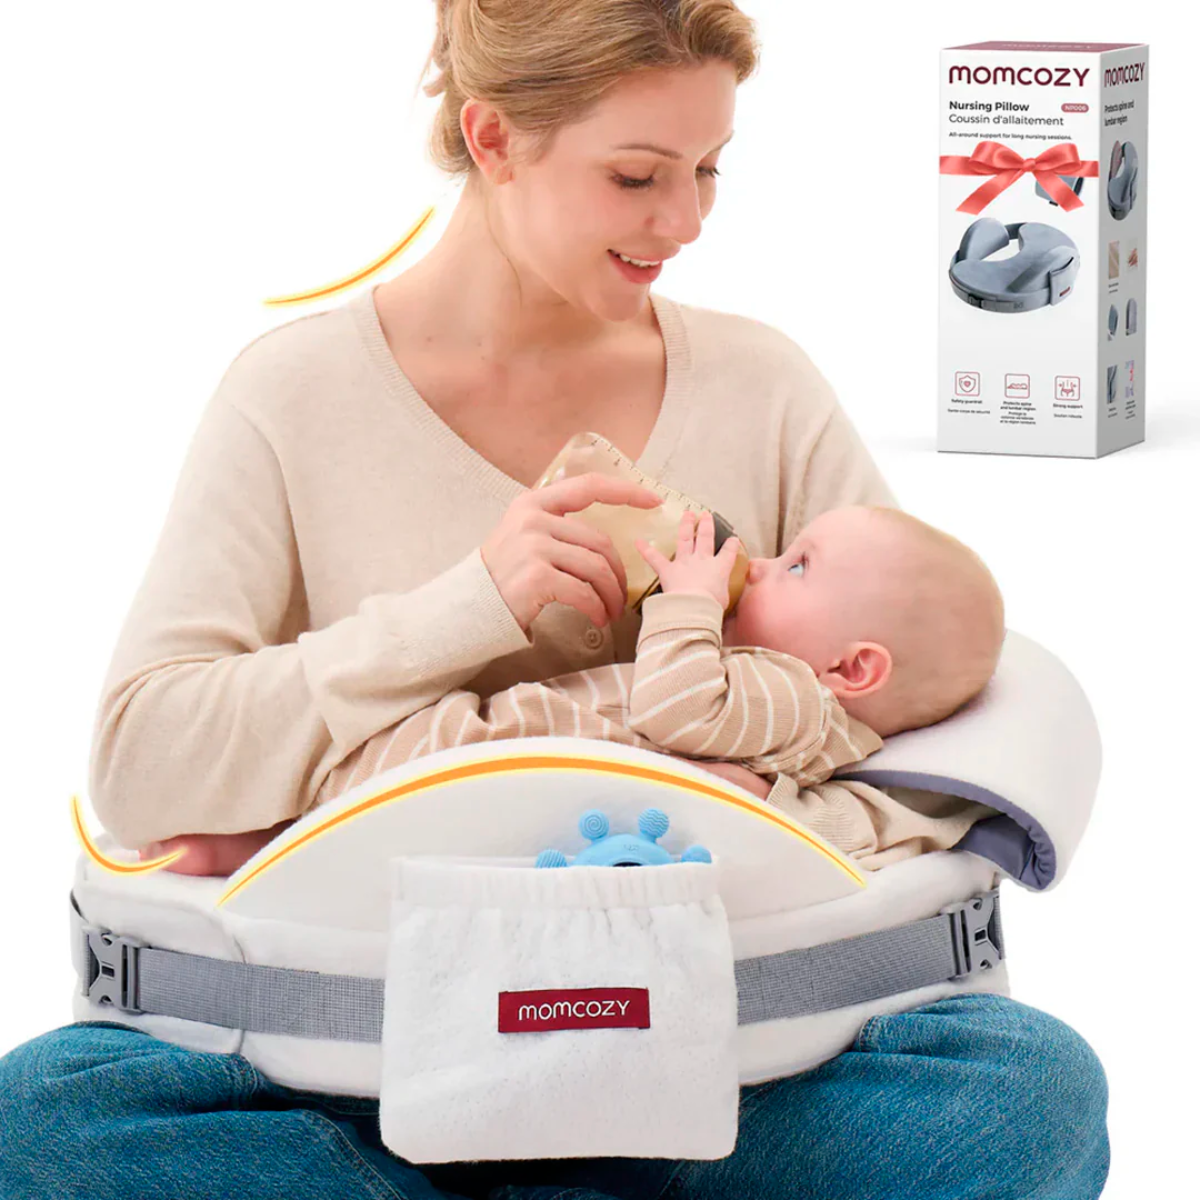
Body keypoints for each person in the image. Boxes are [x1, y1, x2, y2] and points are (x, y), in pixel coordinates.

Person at [0, 2, 1110, 1198]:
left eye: (707, 170)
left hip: (731, 1067)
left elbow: (923, 714)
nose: (685, 221)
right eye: (637, 175)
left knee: (1027, 1092)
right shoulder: (294, 398)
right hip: (357, 1080)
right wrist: (464, 608)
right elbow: (141, 768)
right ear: (493, 139)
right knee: (47, 1119)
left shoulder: (762, 387)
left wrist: (781, 817)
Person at [151, 504, 1007, 879]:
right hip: (488, 746)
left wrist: (688, 602)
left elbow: (675, 707)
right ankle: (262, 841)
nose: (767, 561)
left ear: (854, 670)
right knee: (360, 795)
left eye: (799, 567)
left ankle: (261, 843)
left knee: (364, 792)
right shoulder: (793, 705)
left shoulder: (793, 697)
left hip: (483, 752)